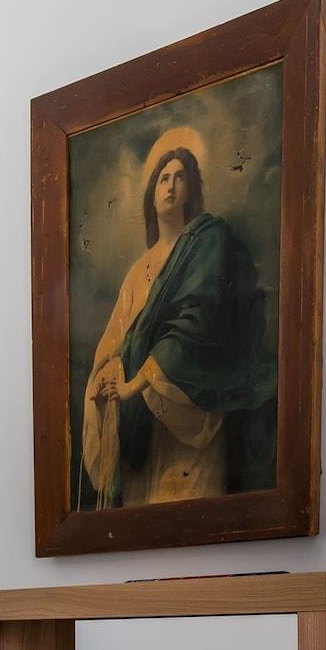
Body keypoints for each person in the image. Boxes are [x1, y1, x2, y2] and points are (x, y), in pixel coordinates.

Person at [80, 126, 274, 508]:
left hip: (189, 414)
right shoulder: (137, 271)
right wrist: (104, 378)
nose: (170, 186)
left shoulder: (205, 244)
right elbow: (115, 343)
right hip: (144, 426)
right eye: (163, 178)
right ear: (151, 193)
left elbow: (198, 326)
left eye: (180, 177)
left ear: (191, 189)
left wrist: (137, 380)